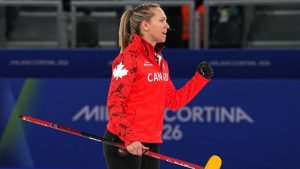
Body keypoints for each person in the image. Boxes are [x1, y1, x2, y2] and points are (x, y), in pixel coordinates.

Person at [102, 3, 213, 169]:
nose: (167, 25)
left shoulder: (160, 61)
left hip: (149, 142)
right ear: (146, 25)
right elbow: (115, 102)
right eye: (161, 20)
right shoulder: (129, 58)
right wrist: (129, 138)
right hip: (124, 142)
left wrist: (200, 79)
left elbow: (173, 101)